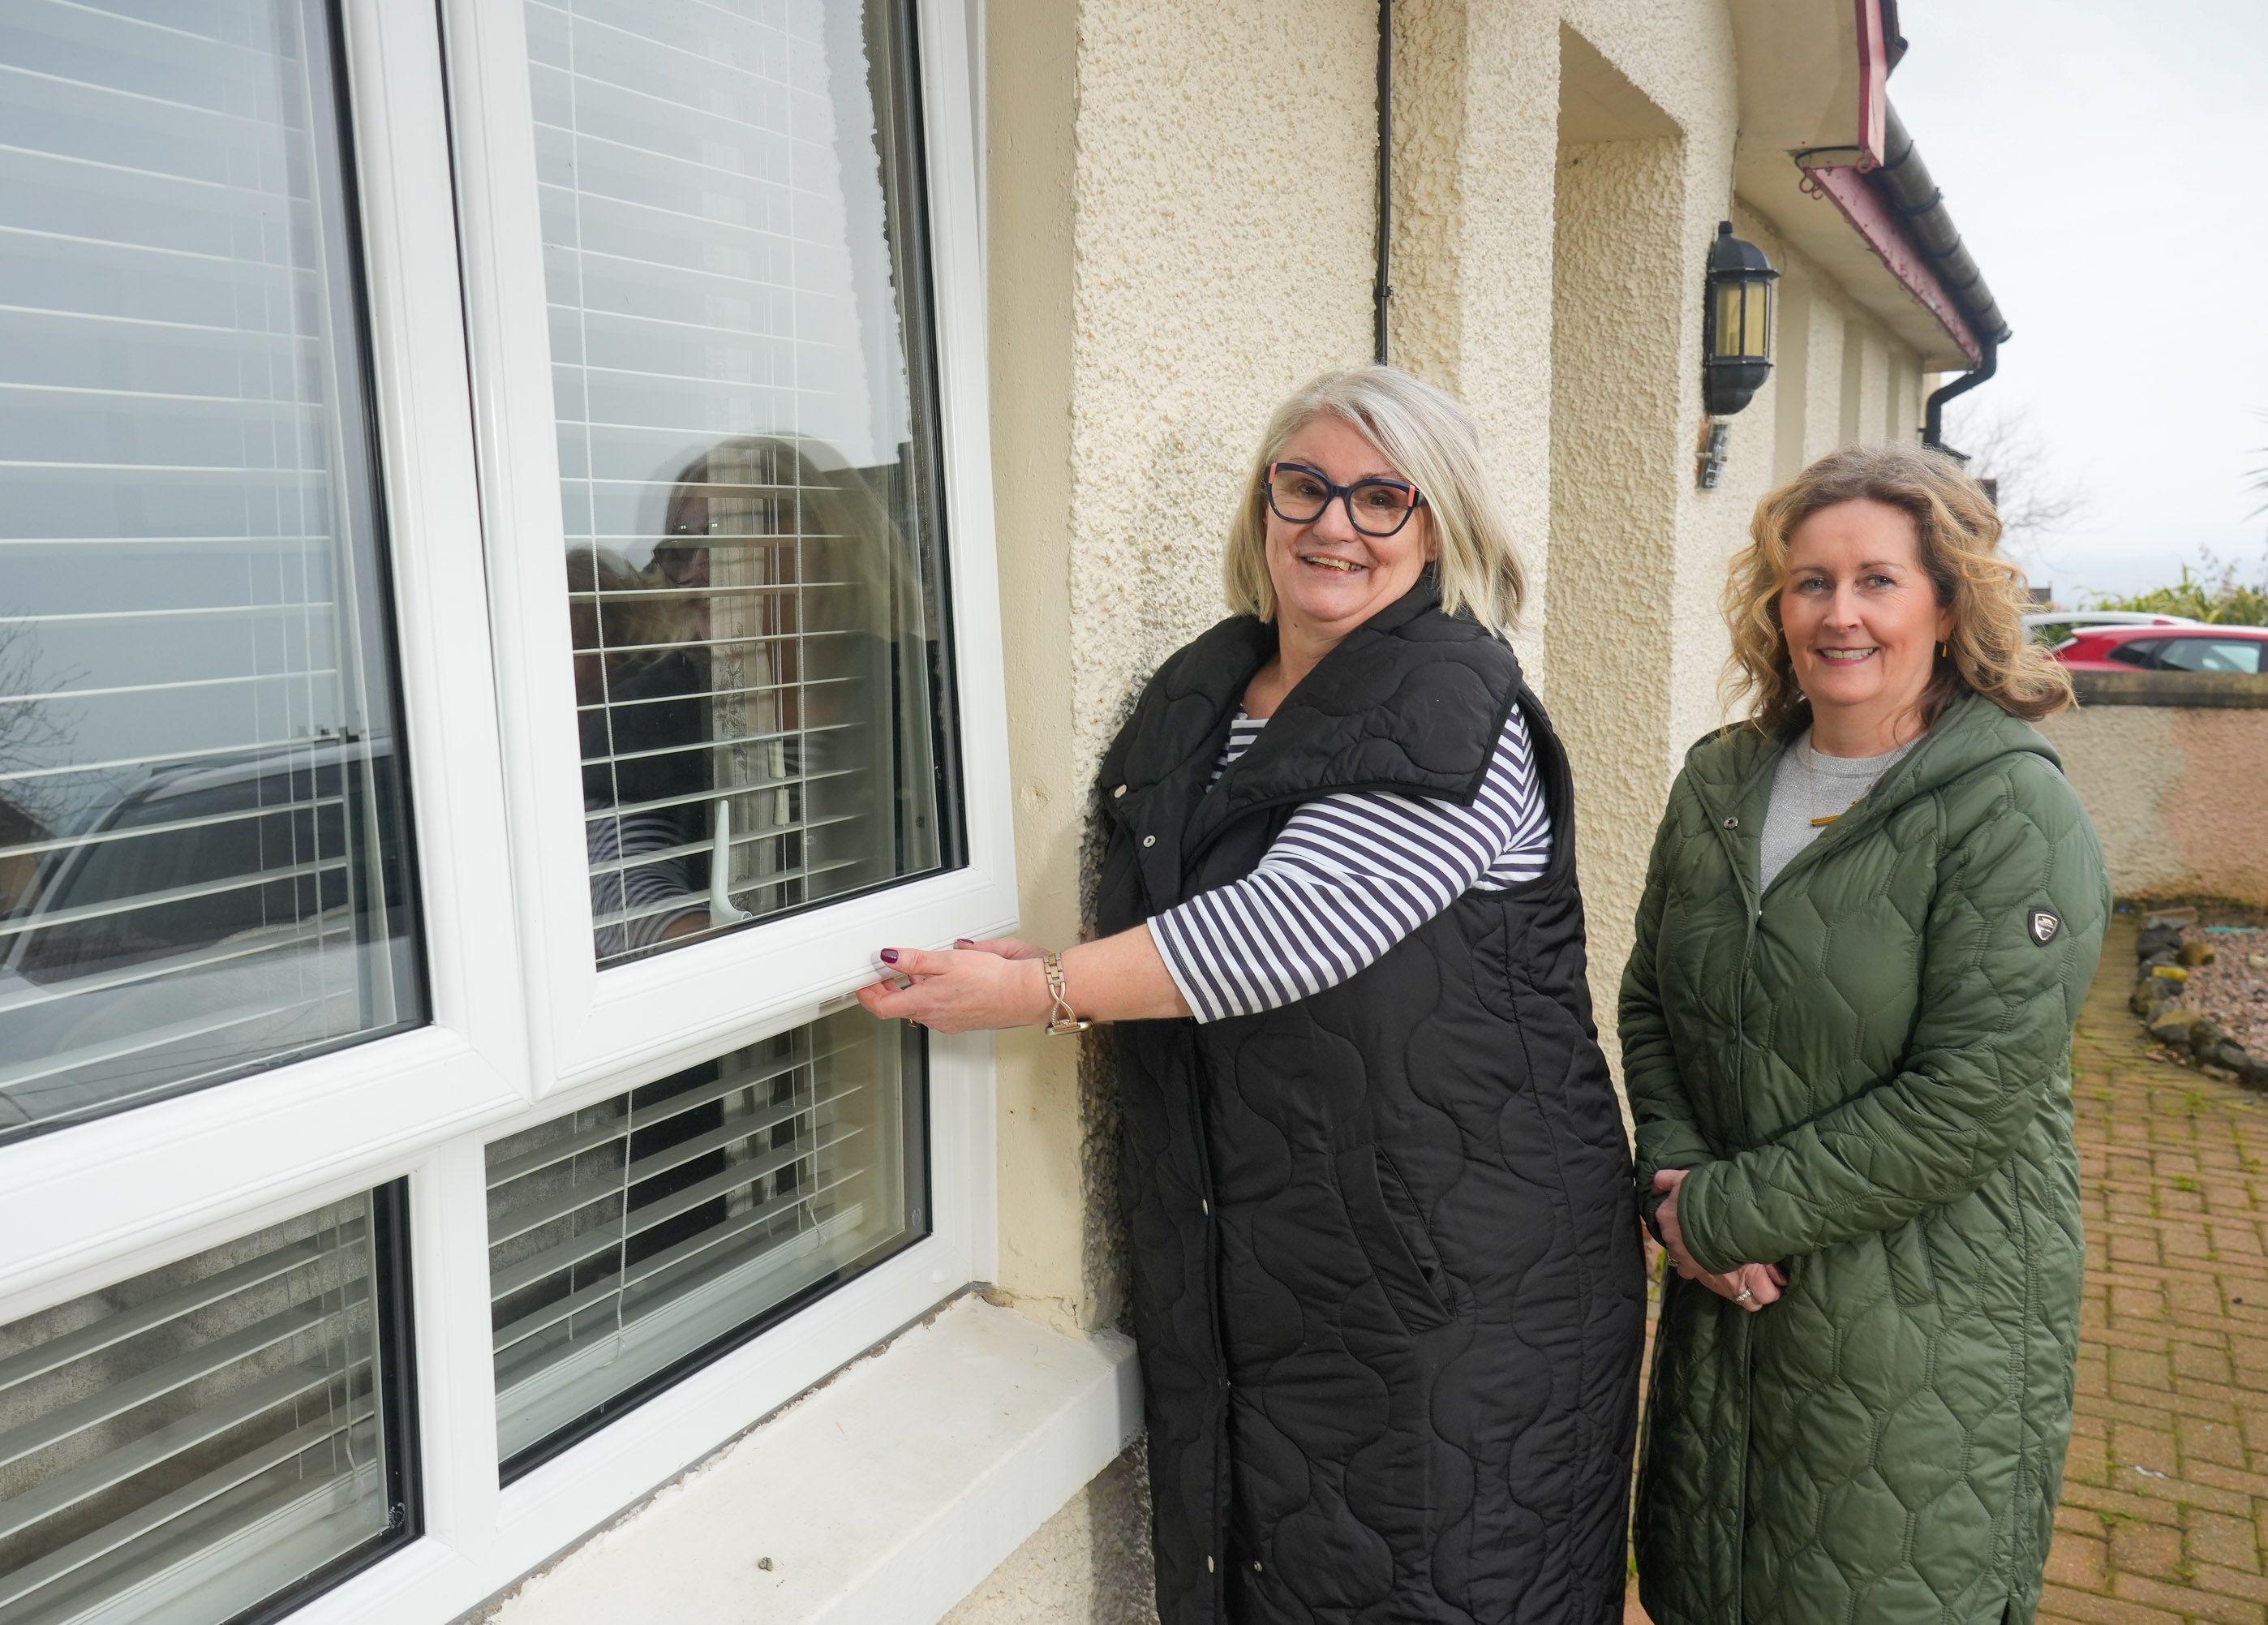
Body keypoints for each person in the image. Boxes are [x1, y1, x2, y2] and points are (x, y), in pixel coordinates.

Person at [855, 367, 1645, 1623]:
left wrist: (1045, 993)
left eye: (1383, 498)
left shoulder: (1458, 705)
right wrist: (1032, 953)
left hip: (1459, 1288)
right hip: (1282, 1267)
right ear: (1263, 506)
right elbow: (1172, 905)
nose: (1336, 525)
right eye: (1306, 487)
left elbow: (1284, 930)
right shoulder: (1207, 691)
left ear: (1438, 527)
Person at [1622, 444, 2109, 1625]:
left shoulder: (2009, 807)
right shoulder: (1722, 784)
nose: (1839, 614)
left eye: (1878, 581)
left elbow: (1970, 1097)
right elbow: (1652, 1001)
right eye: (1810, 582)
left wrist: (1722, 1213)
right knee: (1710, 1584)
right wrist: (1678, 1174)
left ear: (1948, 602)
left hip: (1925, 1318)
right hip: (1729, 1302)